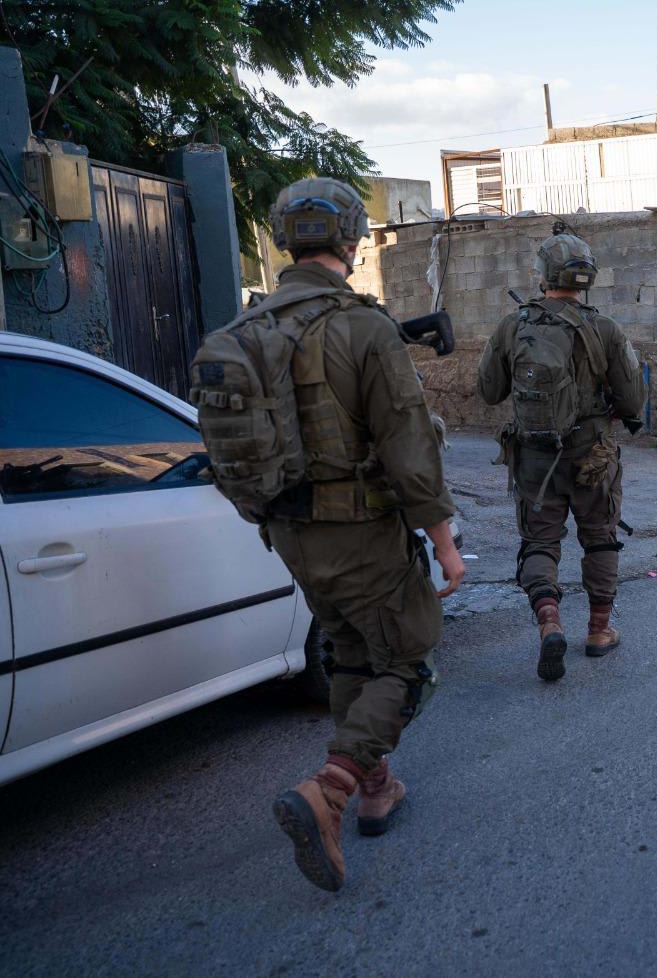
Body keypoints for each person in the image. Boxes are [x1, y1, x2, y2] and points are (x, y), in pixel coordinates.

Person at [196, 177, 465, 893]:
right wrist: (443, 543)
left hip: (290, 533)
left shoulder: (248, 328)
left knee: (351, 653)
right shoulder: (362, 327)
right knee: (407, 659)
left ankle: (378, 789)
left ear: (286, 239)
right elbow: (409, 448)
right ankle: (332, 790)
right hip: (361, 532)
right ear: (351, 239)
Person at [478, 230, 645, 682]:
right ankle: (598, 631)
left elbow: (489, 391)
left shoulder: (513, 326)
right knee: (600, 537)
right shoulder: (605, 329)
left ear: (543, 276)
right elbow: (633, 400)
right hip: (593, 456)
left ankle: (549, 621)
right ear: (587, 278)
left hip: (534, 455)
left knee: (539, 543)